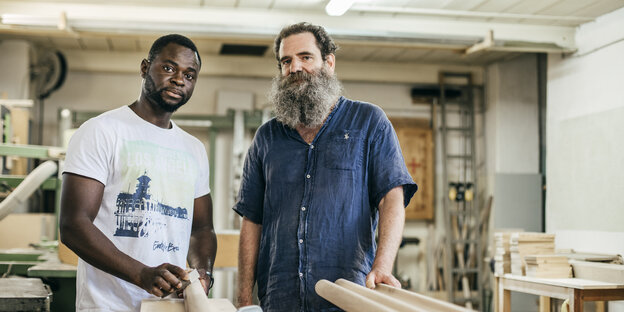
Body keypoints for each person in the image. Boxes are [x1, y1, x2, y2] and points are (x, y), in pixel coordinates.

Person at [234, 22, 418, 311]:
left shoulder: (368, 122)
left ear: (328, 62)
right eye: (286, 61)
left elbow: (391, 198)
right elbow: (251, 221)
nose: (295, 67)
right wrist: (244, 300)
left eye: (305, 57)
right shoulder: (267, 137)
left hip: (347, 298)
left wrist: (382, 266)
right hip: (279, 298)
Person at [60, 34, 217, 312]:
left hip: (167, 307)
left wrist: (203, 273)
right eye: (169, 68)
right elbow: (74, 224)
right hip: (107, 305)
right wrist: (141, 273)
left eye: (189, 75)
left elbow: (202, 229)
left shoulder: (194, 149)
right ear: (145, 68)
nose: (179, 79)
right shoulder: (101, 131)